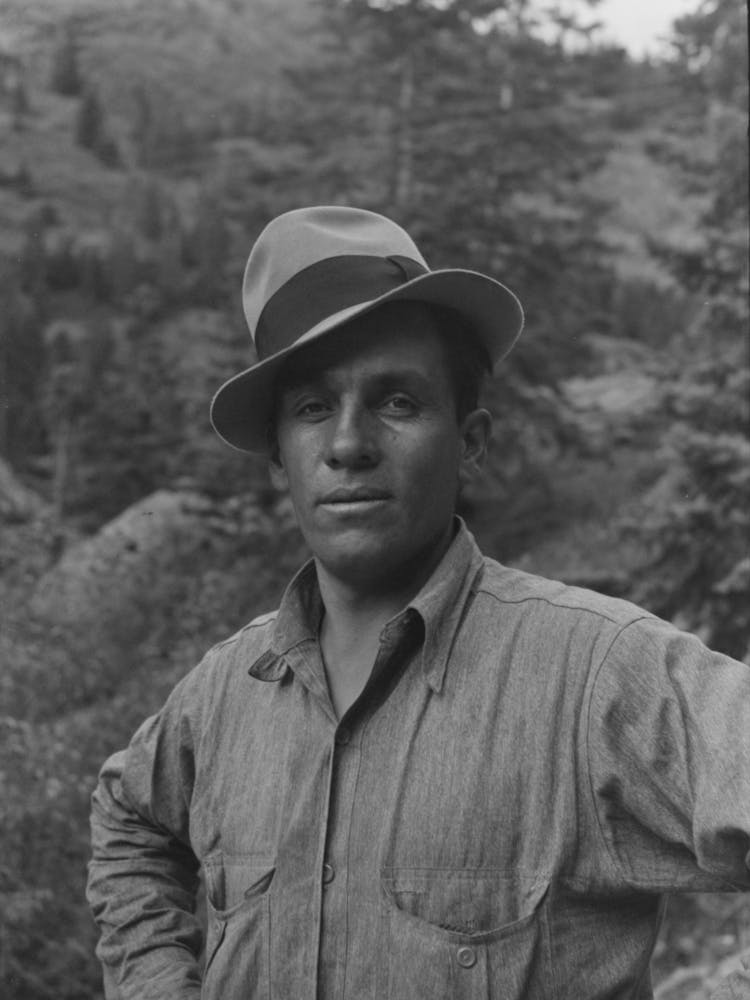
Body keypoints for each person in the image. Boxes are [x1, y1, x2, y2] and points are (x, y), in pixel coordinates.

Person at [87, 206, 750, 1000]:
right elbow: (129, 819)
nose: (348, 443)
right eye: (311, 409)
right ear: (278, 459)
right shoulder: (224, 691)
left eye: (396, 402)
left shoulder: (596, 676)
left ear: (469, 438)